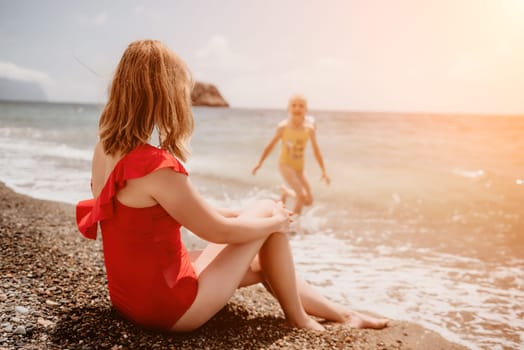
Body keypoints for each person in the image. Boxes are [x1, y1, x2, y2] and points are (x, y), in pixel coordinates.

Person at [76, 39, 388, 333]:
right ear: (164, 94)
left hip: (127, 296)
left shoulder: (104, 147)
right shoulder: (156, 167)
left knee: (263, 261)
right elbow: (217, 232)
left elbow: (176, 212)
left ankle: (344, 314)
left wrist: (242, 215)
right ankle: (300, 318)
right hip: (169, 308)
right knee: (268, 209)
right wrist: (275, 221)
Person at [252, 95, 330, 215]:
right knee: (301, 195)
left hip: (299, 168)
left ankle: (286, 192)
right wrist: (259, 163)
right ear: (288, 108)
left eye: (301, 105)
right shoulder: (283, 127)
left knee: (308, 201)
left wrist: (323, 171)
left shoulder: (309, 129)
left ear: (306, 110)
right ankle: (291, 227)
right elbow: (270, 145)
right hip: (285, 165)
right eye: (293, 105)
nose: (297, 108)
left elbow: (316, 151)